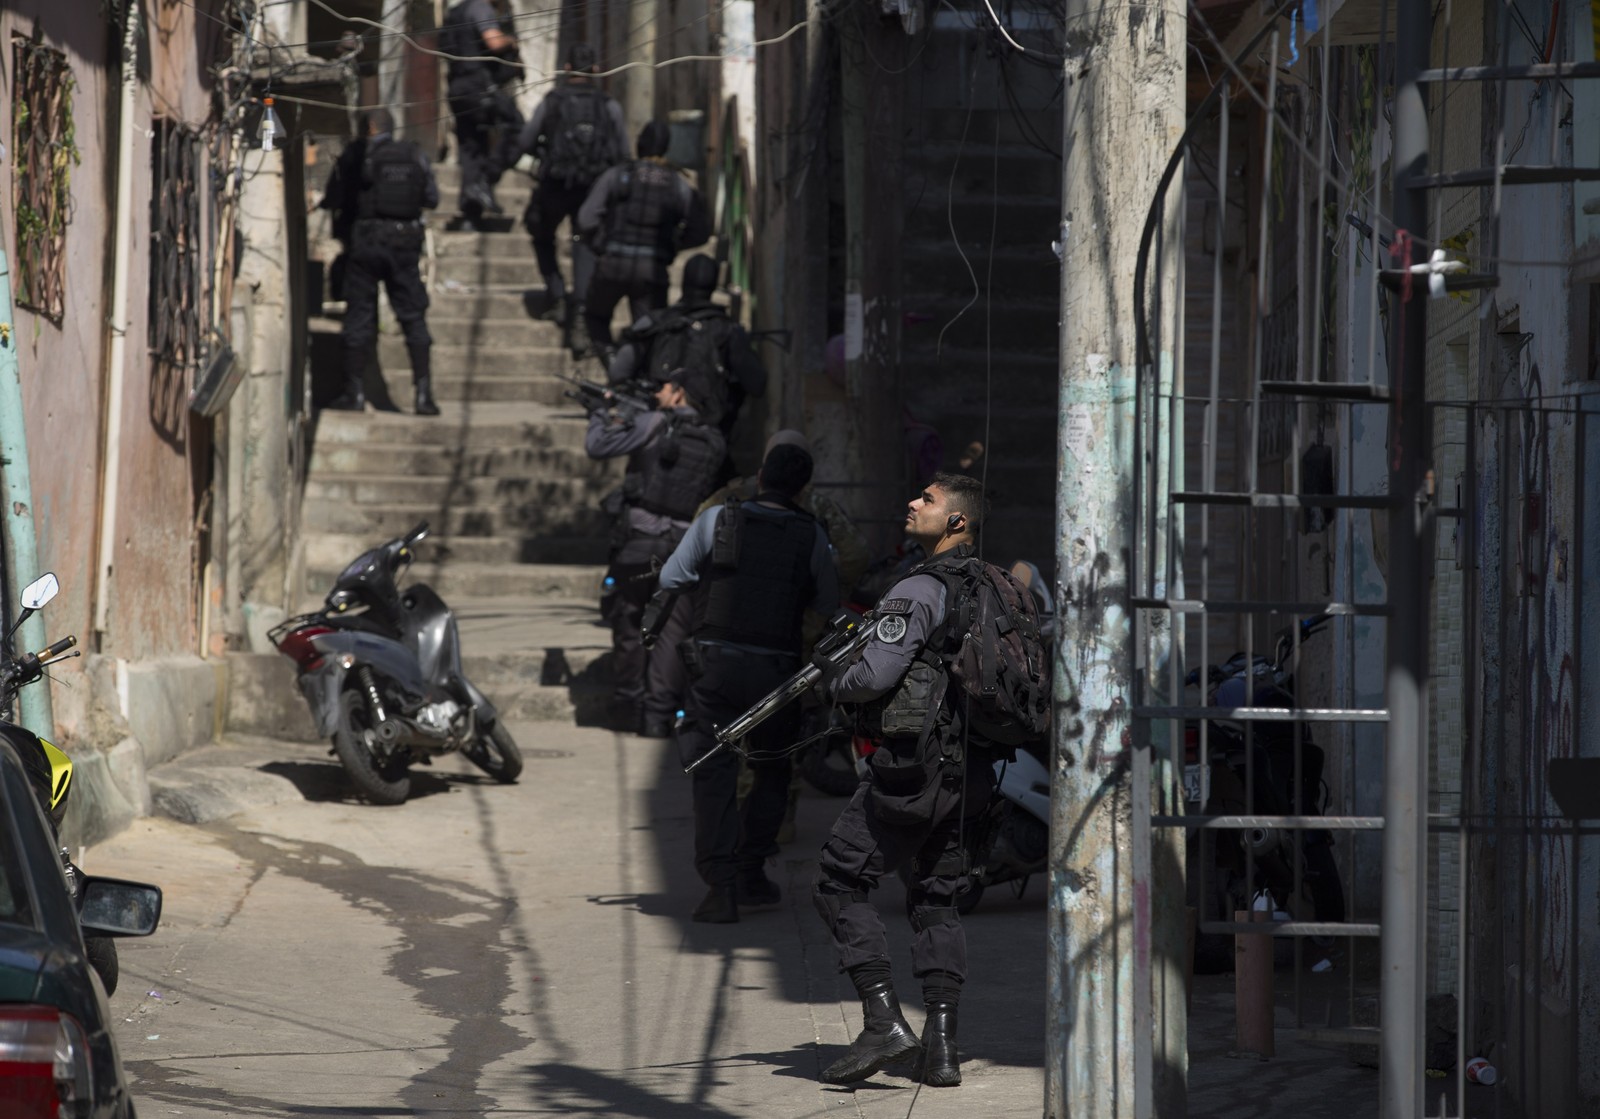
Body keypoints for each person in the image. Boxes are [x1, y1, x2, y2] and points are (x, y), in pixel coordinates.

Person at [810, 472, 995, 1088]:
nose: (912, 503)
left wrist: (833, 679)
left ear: (957, 522)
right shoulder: (998, 588)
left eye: (928, 500)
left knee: (839, 880)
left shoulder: (918, 589)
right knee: (937, 898)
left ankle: (882, 1017)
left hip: (911, 767)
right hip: (975, 771)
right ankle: (941, 1051)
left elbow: (874, 676)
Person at [659, 443, 839, 923]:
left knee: (713, 773)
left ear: (760, 475)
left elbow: (672, 575)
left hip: (714, 668)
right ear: (804, 488)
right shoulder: (813, 534)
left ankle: (721, 886)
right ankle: (750, 869)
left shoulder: (716, 519)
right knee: (773, 772)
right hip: (778, 675)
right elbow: (827, 600)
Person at [584, 373, 725, 737]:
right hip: (683, 548)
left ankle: (628, 708)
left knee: (630, 622)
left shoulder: (655, 423)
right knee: (671, 631)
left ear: (680, 393)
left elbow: (598, 446)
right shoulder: (714, 440)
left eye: (662, 387)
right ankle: (657, 718)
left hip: (639, 544)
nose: (656, 393)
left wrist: (599, 414)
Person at [321, 108, 441, 414]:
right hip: (405, 244)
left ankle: (355, 394)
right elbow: (431, 198)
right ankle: (424, 396)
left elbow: (333, 198)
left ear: (371, 128)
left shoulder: (358, 154)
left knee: (359, 316)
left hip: (366, 244)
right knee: (413, 316)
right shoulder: (414, 155)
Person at [517, 43, 628, 348]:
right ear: (594, 70)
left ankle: (556, 293)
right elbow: (622, 155)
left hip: (554, 185)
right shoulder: (608, 106)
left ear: (566, 69)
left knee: (541, 234)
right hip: (592, 189)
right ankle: (580, 315)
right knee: (584, 244)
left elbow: (525, 141)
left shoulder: (552, 101)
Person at [577, 121, 712, 360]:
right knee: (650, 333)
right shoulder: (678, 184)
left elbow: (586, 219)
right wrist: (673, 245)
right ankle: (640, 381)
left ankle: (611, 363)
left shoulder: (618, 175)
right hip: (652, 271)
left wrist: (600, 244)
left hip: (612, 264)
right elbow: (700, 231)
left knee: (595, 317)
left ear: (640, 144)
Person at [606, 254, 765, 435]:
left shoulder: (654, 323)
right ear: (714, 286)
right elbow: (757, 383)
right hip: (709, 439)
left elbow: (618, 372)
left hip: (654, 433)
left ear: (683, 281)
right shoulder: (728, 331)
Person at [440, 0, 523, 229]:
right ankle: (486, 180)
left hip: (458, 87)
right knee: (516, 126)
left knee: (471, 148)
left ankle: (470, 215)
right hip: (478, 85)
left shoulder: (456, 12)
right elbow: (493, 42)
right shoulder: (481, 8)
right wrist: (511, 41)